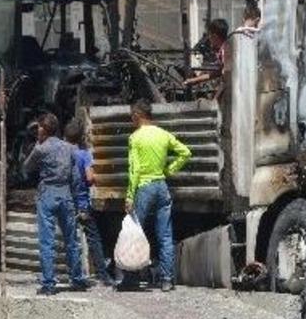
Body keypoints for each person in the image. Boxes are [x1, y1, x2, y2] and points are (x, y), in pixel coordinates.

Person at [125, 99, 192, 292]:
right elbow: (186, 153)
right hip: (162, 187)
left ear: (138, 115)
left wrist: (129, 195)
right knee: (165, 235)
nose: (131, 119)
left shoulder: (135, 138)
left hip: (144, 187)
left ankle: (131, 278)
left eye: (132, 115)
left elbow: (135, 169)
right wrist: (169, 170)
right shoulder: (163, 134)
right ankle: (167, 280)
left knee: (135, 233)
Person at [24, 112, 88, 295]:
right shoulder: (70, 148)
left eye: (39, 127)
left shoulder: (41, 149)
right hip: (66, 194)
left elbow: (26, 167)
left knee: (47, 241)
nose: (37, 130)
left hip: (47, 194)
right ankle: (77, 280)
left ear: (43, 129)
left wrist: (37, 145)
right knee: (71, 240)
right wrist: (78, 201)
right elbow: (76, 178)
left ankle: (49, 283)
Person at [64, 119, 115, 287]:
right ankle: (102, 275)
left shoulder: (63, 153)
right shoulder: (84, 154)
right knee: (94, 238)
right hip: (83, 204)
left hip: (67, 202)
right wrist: (96, 178)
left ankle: (74, 276)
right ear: (81, 137)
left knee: (70, 239)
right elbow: (89, 177)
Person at [183, 19, 229, 88]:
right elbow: (216, 73)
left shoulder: (225, 51)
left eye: (209, 35)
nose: (209, 39)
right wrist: (194, 80)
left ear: (214, 36)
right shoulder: (223, 49)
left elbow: (223, 76)